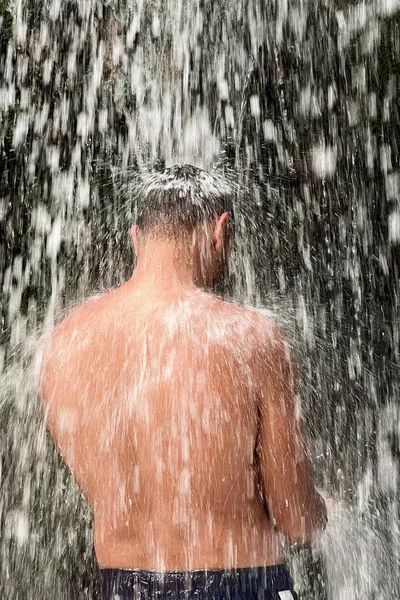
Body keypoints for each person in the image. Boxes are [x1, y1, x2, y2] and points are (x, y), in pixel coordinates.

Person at [39, 164, 327, 600]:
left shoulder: (63, 344)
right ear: (219, 231)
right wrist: (325, 511)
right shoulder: (249, 338)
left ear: (136, 238)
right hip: (238, 584)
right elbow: (295, 518)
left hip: (123, 586)